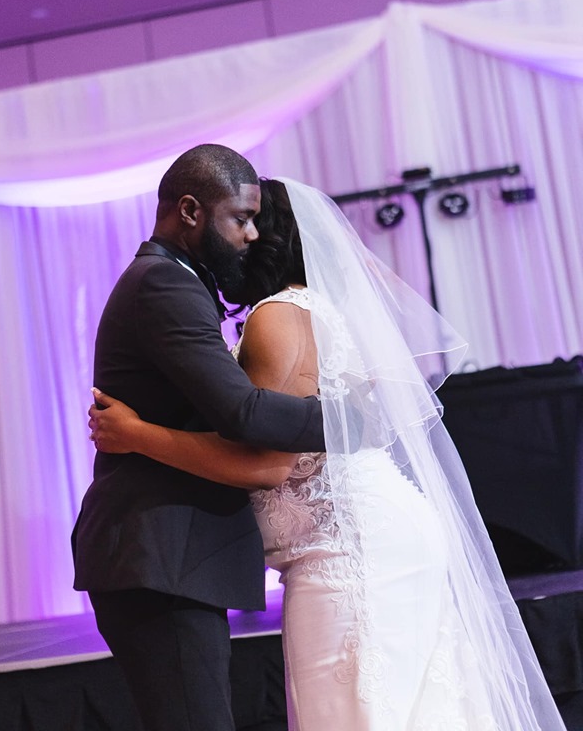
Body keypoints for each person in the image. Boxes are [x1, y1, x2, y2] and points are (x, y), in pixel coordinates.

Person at [89, 177, 567, 731]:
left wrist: (136, 433)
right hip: (379, 529)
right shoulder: (324, 311)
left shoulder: (276, 314)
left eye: (250, 225)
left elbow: (266, 463)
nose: (242, 238)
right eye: (237, 223)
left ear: (270, 239)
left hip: (345, 551)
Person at [71, 148, 325, 731]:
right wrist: (350, 422)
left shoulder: (173, 280)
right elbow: (242, 414)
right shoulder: (163, 283)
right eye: (241, 218)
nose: (252, 234)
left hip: (168, 556)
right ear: (190, 210)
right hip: (157, 552)